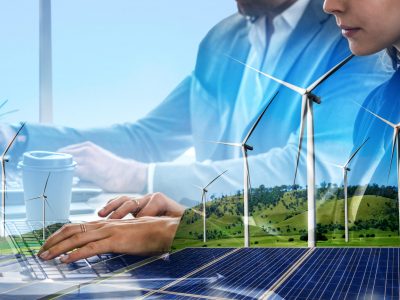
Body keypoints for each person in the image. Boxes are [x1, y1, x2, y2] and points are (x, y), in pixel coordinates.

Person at [37, 0, 395, 263]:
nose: (331, 4)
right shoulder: (222, 40)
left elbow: (320, 188)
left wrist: (190, 230)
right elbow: (346, 240)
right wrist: (198, 225)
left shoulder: (355, 57)